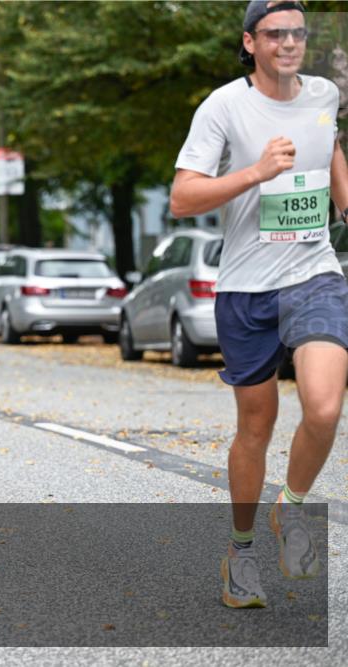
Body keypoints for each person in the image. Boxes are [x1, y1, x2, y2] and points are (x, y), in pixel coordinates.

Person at [170, 1, 348, 608]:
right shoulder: (223, 106)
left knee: (324, 406)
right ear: (250, 42)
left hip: (314, 274)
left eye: (298, 33)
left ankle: (290, 505)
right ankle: (241, 552)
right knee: (256, 425)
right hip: (246, 287)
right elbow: (182, 198)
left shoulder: (324, 94)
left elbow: (330, 146)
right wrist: (256, 172)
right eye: (275, 34)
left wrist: (345, 203)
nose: (289, 43)